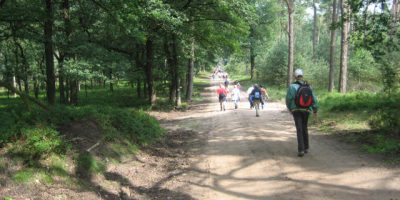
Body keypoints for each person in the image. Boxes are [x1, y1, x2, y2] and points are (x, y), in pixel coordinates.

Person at [286, 69, 318, 157]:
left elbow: (288, 99)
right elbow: (314, 99)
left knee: (299, 129)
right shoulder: (308, 86)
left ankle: (301, 150)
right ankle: (306, 147)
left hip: (296, 110)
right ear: (302, 76)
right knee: (304, 127)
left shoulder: (292, 87)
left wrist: (289, 108)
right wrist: (315, 110)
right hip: (306, 110)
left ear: (295, 77)